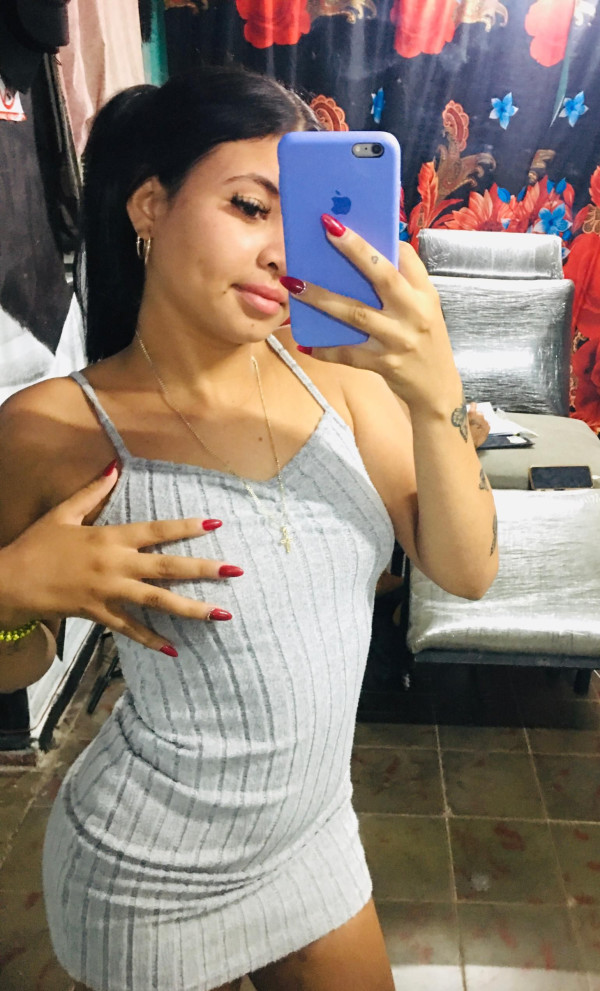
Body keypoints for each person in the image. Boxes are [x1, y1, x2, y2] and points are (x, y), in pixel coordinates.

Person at [0, 65, 497, 991]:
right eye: (249, 206)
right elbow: (19, 663)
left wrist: (437, 399)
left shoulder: (347, 387)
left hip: (314, 837)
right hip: (148, 876)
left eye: (295, 217)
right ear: (150, 205)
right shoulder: (52, 428)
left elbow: (467, 572)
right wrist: (11, 593)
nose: (280, 251)